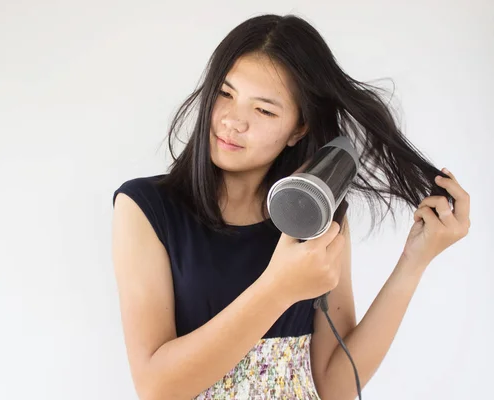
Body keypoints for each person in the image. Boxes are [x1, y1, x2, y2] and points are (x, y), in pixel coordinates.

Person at [111, 14, 471, 400]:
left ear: (298, 128)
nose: (233, 121)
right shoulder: (146, 209)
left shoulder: (318, 214)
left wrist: (414, 261)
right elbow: (155, 388)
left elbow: (335, 386)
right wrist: (279, 288)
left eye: (264, 110)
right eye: (225, 93)